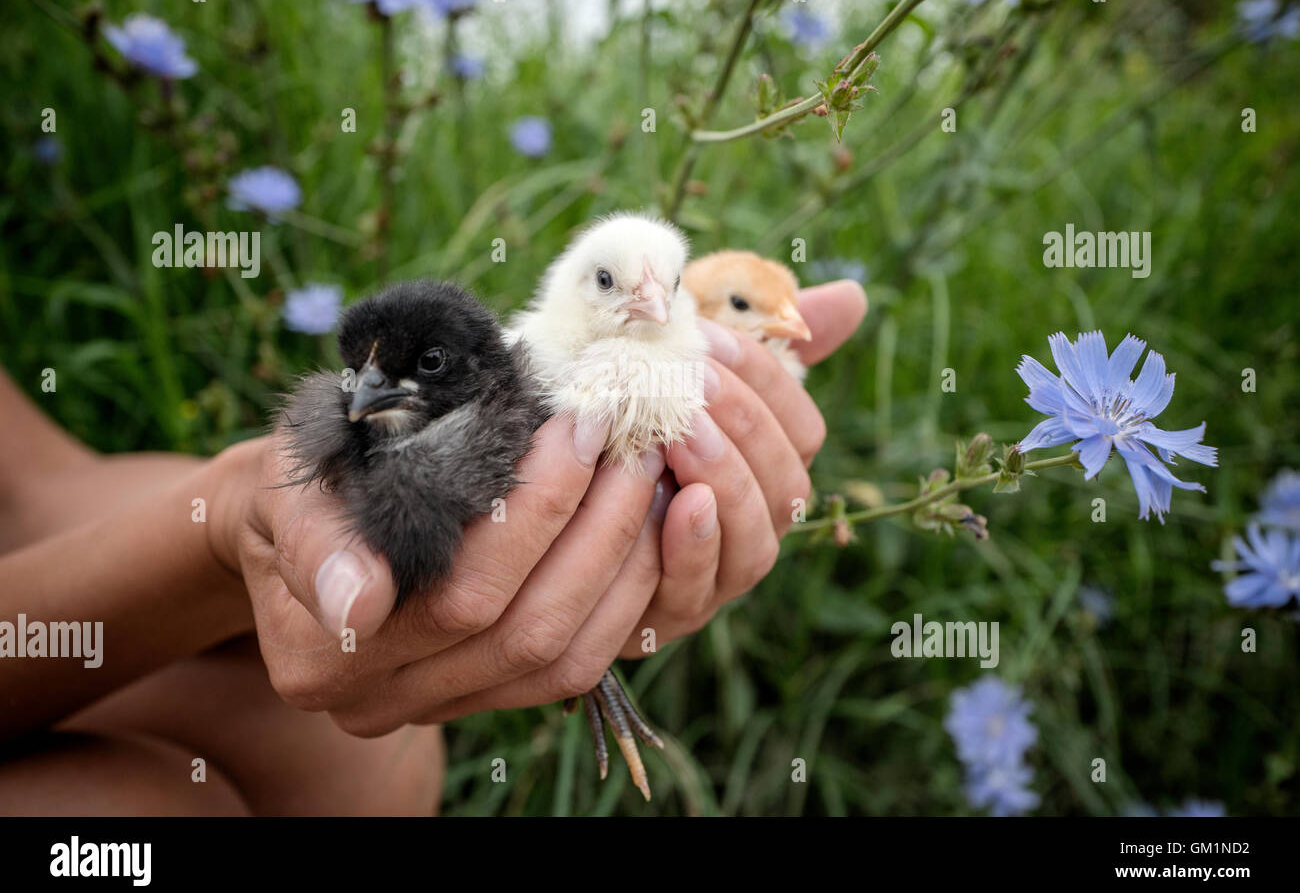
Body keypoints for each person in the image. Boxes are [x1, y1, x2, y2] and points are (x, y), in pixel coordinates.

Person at [0, 280, 866, 814]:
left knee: (361, 765)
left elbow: (32, 488)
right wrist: (222, 539)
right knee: (135, 812)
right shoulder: (369, 425)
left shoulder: (512, 399)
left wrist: (232, 548)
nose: (366, 390)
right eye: (361, 371)